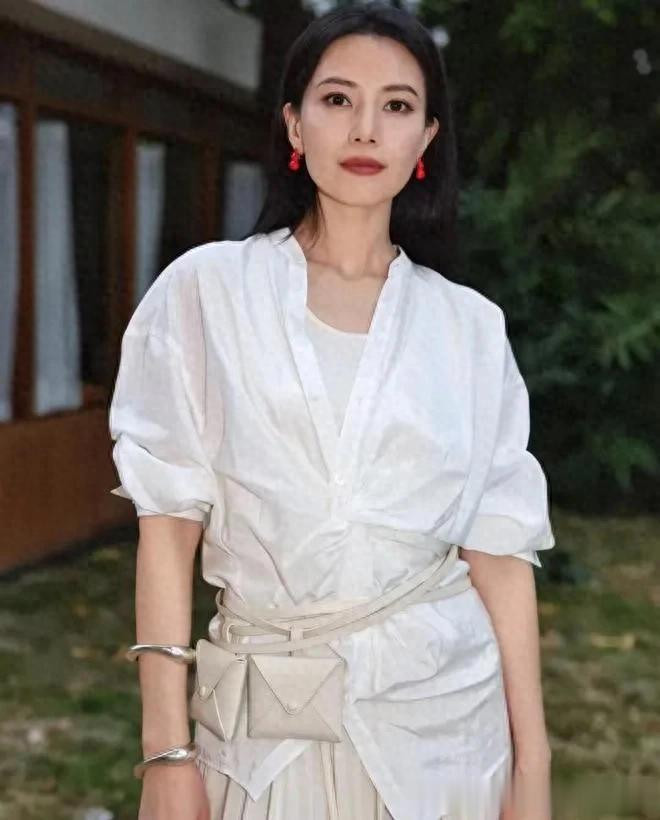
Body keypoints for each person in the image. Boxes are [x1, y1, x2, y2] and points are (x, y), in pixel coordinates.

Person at [108, 4, 555, 819]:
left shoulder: (468, 328)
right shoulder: (209, 293)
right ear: (293, 122)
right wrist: (166, 753)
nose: (366, 129)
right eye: (338, 98)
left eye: (397, 106)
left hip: (446, 736)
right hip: (268, 735)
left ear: (426, 138)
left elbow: (500, 552)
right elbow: (167, 529)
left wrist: (533, 766)